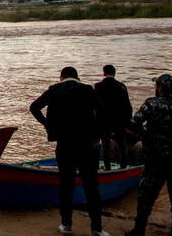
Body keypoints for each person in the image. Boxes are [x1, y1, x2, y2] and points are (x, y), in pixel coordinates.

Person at [30, 67, 107, 236]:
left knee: (66, 185)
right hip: (87, 144)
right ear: (77, 77)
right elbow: (102, 112)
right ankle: (97, 228)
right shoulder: (87, 90)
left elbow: (34, 107)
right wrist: (97, 135)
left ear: (61, 77)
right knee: (91, 186)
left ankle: (66, 224)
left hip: (65, 144)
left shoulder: (54, 90)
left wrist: (47, 123)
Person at [125, 74, 172, 236]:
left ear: (160, 88)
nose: (155, 88)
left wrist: (148, 137)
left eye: (156, 85)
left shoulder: (151, 104)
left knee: (146, 196)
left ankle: (139, 230)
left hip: (155, 159)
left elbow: (132, 125)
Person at [94, 64, 132, 170]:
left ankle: (107, 168)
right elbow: (127, 106)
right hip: (118, 121)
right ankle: (123, 167)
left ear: (104, 72)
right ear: (114, 73)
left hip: (103, 121)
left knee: (105, 146)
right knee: (122, 145)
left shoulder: (97, 86)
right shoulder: (121, 86)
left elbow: (94, 106)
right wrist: (127, 121)